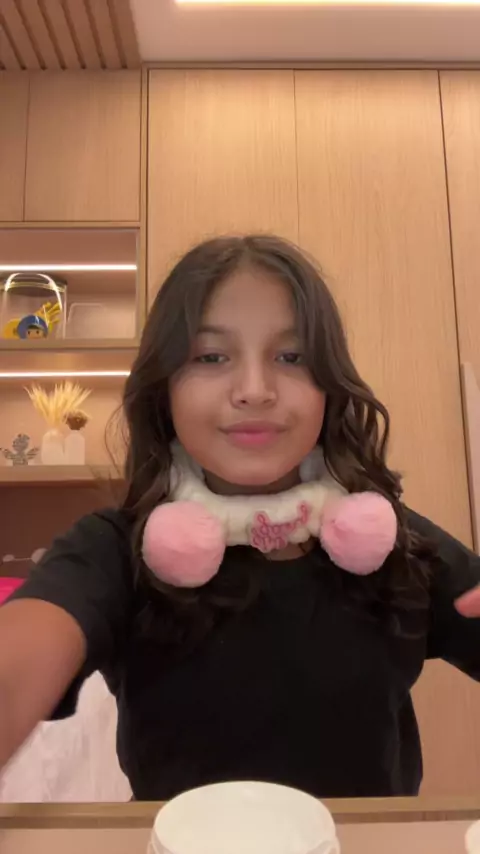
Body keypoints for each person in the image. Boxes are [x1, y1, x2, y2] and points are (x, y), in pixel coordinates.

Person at [1, 234, 480, 801]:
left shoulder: (388, 539)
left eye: (291, 357)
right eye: (211, 357)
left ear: (328, 387)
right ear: (164, 390)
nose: (255, 390)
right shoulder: (114, 549)